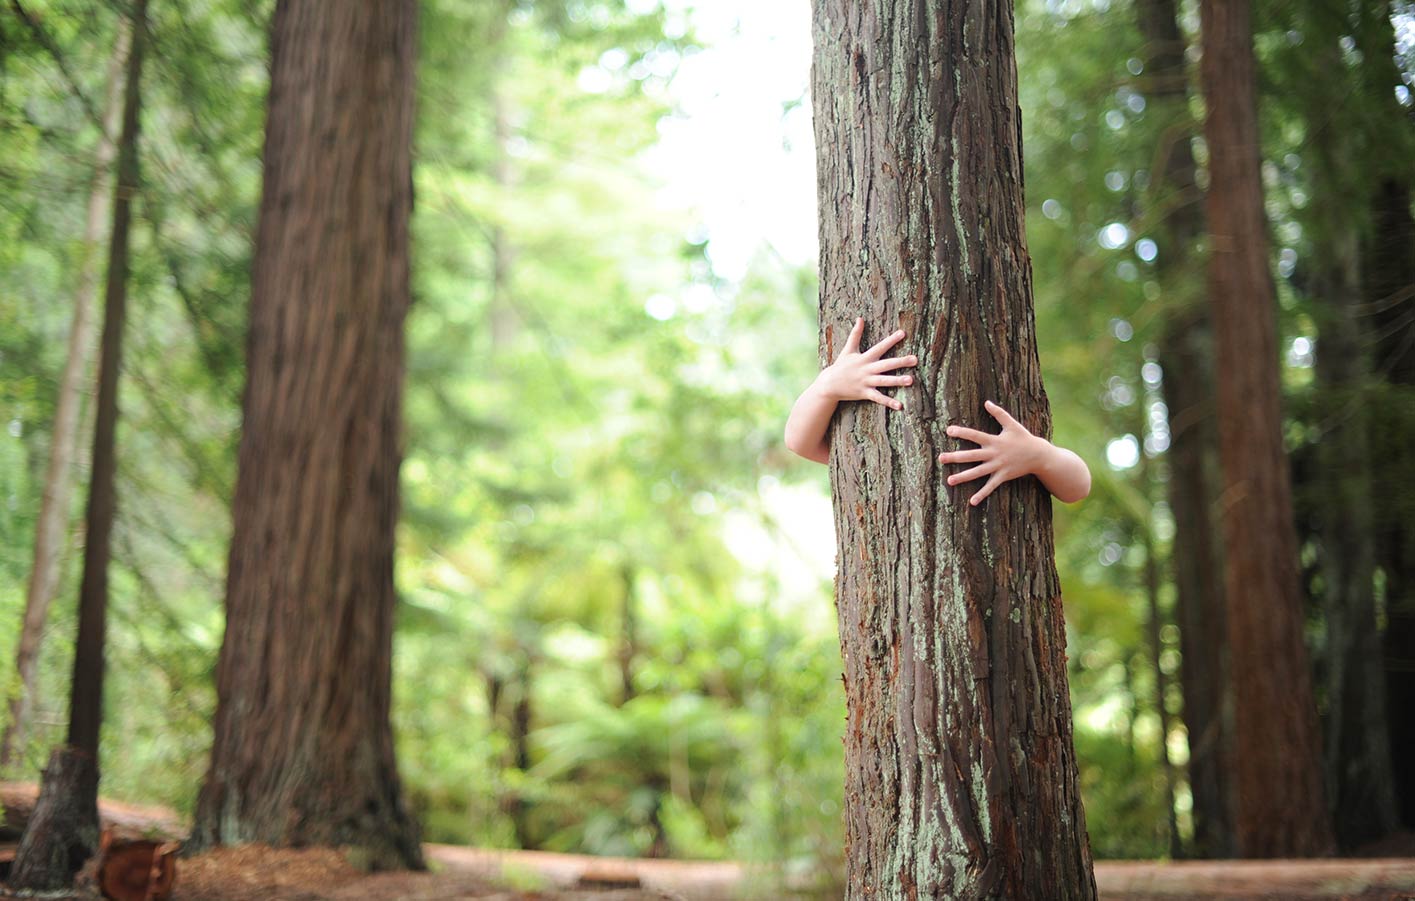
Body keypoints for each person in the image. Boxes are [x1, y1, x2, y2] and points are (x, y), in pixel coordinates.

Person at [784, 317, 1091, 505]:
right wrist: (827, 385)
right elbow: (799, 441)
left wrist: (1039, 454)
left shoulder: (1018, 446)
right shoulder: (862, 452)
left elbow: (1078, 486)